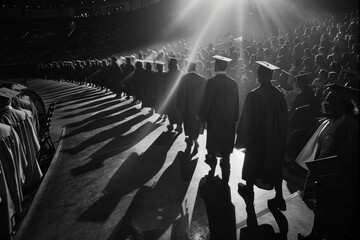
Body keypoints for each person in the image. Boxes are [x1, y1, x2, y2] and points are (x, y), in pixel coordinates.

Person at [297, 84, 359, 240]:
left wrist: (330, 175)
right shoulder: (330, 121)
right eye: (326, 99)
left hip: (339, 181)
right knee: (321, 207)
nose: (326, 103)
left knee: (334, 215)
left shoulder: (349, 127)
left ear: (344, 106)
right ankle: (314, 234)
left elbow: (347, 158)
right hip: (324, 177)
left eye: (331, 101)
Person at [235, 61, 288, 226]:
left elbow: (248, 121)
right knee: (274, 163)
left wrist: (243, 138)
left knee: (253, 162)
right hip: (276, 137)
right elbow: (284, 119)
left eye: (259, 73)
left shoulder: (254, 95)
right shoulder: (279, 94)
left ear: (260, 76)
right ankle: (279, 197)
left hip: (259, 138)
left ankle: (248, 190)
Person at [198, 55, 239, 183]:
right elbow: (237, 104)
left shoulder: (211, 82)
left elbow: (206, 101)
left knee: (213, 148)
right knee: (225, 152)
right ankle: (225, 178)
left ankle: (212, 172)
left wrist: (201, 116)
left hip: (215, 122)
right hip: (228, 123)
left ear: (216, 66)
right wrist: (235, 118)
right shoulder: (233, 83)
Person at [177, 59, 207, 151]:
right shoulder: (202, 79)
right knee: (196, 124)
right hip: (198, 107)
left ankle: (192, 139)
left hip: (187, 107)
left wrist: (180, 107)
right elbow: (205, 95)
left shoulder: (183, 79)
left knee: (189, 123)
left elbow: (180, 94)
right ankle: (194, 139)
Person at [164, 57, 183, 132]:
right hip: (178, 94)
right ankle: (179, 126)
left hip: (170, 95)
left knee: (170, 111)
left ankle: (171, 124)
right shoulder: (180, 73)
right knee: (178, 110)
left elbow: (165, 85)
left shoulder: (167, 74)